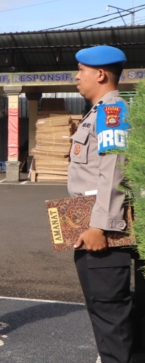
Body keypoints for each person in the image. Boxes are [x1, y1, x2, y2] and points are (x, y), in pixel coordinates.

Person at [69, 45, 134, 363]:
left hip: (103, 231)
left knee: (110, 315)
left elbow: (114, 169)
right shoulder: (100, 111)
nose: (76, 76)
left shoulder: (112, 111)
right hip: (91, 222)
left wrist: (100, 225)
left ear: (100, 74)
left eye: (81, 70)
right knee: (106, 312)